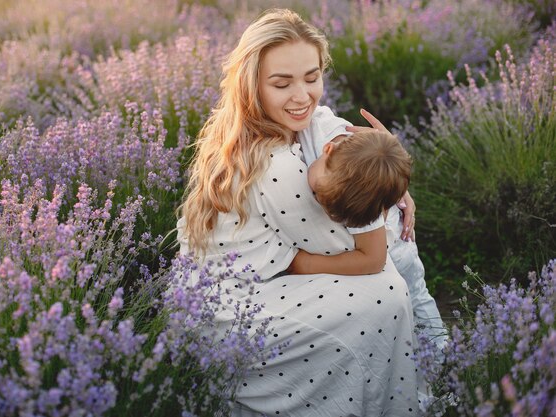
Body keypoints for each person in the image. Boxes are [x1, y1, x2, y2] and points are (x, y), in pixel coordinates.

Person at [177, 8, 426, 416]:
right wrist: (382, 199)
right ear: (251, 85)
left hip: (229, 285)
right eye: (282, 83)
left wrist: (388, 172)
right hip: (226, 311)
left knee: (387, 287)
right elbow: (356, 253)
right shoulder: (276, 165)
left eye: (312, 78)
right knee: (386, 293)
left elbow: (329, 125)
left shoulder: (264, 122)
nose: (302, 96)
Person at [298, 106, 448, 354]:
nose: (319, 203)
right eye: (317, 193)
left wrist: (309, 265)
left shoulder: (358, 192)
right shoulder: (321, 128)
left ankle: (441, 354)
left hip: (398, 248)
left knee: (415, 298)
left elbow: (374, 259)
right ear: (328, 149)